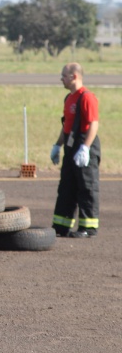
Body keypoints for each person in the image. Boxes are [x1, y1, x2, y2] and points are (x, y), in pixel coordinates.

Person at [50, 62, 100, 238]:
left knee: (86, 187)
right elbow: (67, 127)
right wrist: (57, 145)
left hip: (85, 144)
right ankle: (61, 225)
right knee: (66, 187)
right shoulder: (68, 98)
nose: (61, 78)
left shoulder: (86, 97)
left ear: (74, 77)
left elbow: (94, 124)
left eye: (64, 75)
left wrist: (85, 148)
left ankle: (88, 228)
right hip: (71, 147)